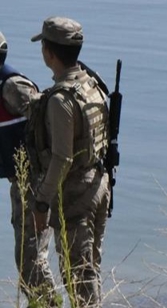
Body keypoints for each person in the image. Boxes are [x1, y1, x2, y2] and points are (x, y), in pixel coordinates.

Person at [26, 17, 110, 308]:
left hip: (76, 197)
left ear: (48, 53)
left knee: (78, 280)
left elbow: (62, 158)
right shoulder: (92, 85)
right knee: (90, 272)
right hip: (99, 186)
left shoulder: (60, 100)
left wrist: (41, 202)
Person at [0, 31, 57, 305]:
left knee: (31, 262)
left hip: (34, 182)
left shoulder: (11, 87)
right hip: (21, 180)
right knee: (27, 261)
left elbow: (50, 123)